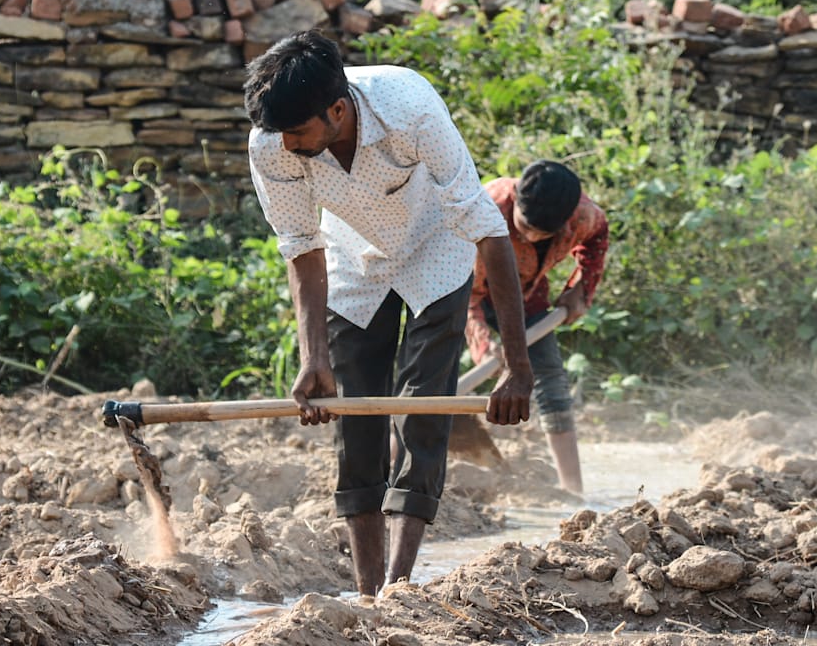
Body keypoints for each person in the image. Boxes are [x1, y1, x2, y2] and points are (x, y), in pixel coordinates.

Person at [243, 30, 536, 599]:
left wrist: (518, 367)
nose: (287, 145)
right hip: (352, 256)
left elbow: (486, 227)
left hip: (436, 243)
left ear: (337, 109)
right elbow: (301, 247)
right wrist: (313, 358)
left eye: (298, 133)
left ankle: (399, 589)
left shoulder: (409, 104)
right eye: (278, 135)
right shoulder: (270, 145)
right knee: (354, 413)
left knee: (423, 407)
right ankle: (368, 593)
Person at [466, 160, 609, 494]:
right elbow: (467, 297)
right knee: (434, 373)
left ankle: (573, 489)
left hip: (526, 294)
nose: (529, 237)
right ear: (515, 200)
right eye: (524, 227)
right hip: (460, 286)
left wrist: (581, 288)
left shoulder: (583, 216)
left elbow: (598, 236)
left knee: (550, 381)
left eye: (540, 234)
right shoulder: (484, 212)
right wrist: (485, 349)